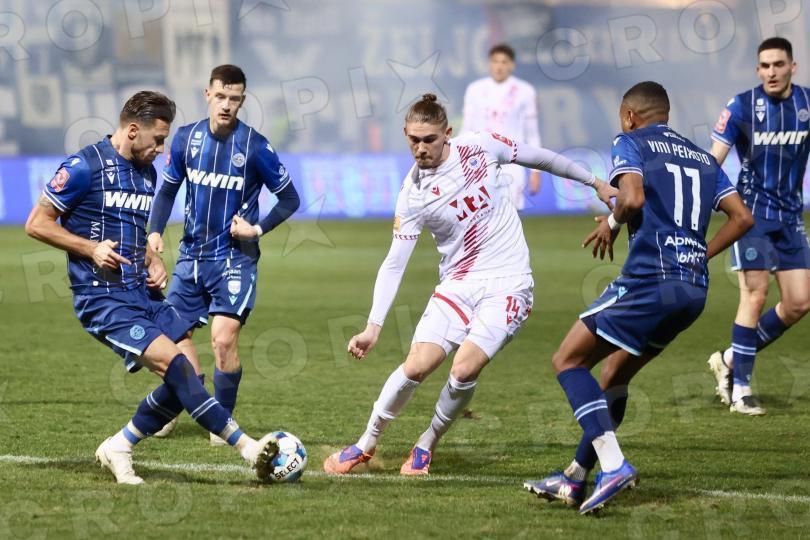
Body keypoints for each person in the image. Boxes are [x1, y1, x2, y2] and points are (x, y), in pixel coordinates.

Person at [322, 93, 616, 476]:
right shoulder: (412, 195)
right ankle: (365, 443)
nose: (421, 148)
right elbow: (395, 262)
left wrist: (594, 182)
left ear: (447, 133)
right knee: (416, 366)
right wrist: (373, 326)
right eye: (414, 140)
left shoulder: (481, 146)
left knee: (462, 371)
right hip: (457, 285)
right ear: (405, 134)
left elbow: (541, 157)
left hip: (509, 284)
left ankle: (427, 443)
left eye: (429, 139)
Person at [24, 91, 278, 484]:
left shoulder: (146, 174)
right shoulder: (83, 167)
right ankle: (247, 447)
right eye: (158, 140)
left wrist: (151, 259)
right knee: (176, 368)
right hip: (103, 299)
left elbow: (132, 230)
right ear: (132, 130)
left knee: (188, 379)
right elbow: (36, 223)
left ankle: (120, 445)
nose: (161, 150)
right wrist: (90, 248)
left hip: (143, 295)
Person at [524, 82, 753, 513]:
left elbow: (631, 197)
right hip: (693, 289)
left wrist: (611, 223)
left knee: (568, 360)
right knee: (614, 375)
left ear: (630, 115)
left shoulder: (629, 141)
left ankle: (614, 467)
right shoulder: (703, 158)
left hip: (651, 280)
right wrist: (700, 254)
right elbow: (742, 218)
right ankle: (575, 477)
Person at [147, 65, 300, 443]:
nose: (227, 105)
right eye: (220, 96)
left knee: (223, 339)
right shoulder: (186, 139)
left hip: (234, 258)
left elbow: (290, 198)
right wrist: (154, 230)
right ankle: (183, 399)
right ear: (208, 95)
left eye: (234, 99)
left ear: (242, 101)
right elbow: (167, 190)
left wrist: (256, 229)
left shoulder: (255, 147)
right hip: (191, 256)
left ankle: (222, 421)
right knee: (170, 338)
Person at [707, 37, 810, 416]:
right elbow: (713, 163)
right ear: (757, 70)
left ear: (792, 67)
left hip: (791, 216)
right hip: (751, 216)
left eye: (778, 64)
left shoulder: (807, 104)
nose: (771, 72)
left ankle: (729, 359)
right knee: (755, 294)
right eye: (765, 66)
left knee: (799, 303)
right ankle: (742, 390)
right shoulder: (741, 106)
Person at [462, 43, 542, 211]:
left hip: (512, 162)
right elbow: (466, 128)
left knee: (511, 214)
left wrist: (536, 171)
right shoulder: (474, 90)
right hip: (480, 161)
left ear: (512, 65)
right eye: (495, 61)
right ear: (489, 63)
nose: (499, 66)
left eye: (504, 62)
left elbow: (532, 134)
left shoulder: (525, 91)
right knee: (480, 214)